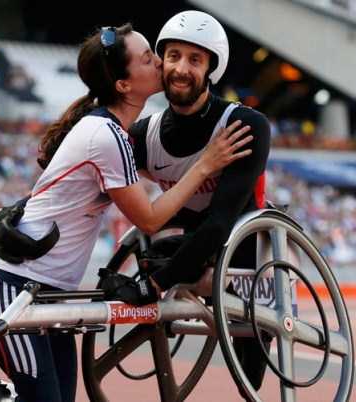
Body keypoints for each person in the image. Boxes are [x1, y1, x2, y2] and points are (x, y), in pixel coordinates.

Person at [0, 23, 253, 402]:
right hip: (10, 284)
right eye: (148, 58)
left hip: (49, 291)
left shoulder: (114, 133)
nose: (161, 64)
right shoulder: (107, 136)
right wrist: (204, 165)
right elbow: (151, 219)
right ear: (124, 84)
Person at [122, 10, 273, 397]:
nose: (181, 69)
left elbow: (220, 224)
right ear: (161, 61)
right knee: (141, 253)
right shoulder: (145, 133)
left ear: (211, 69)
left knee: (248, 377)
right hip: (193, 243)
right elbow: (98, 186)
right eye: (173, 56)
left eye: (195, 59)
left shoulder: (243, 127)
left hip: (246, 250)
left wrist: (157, 282)